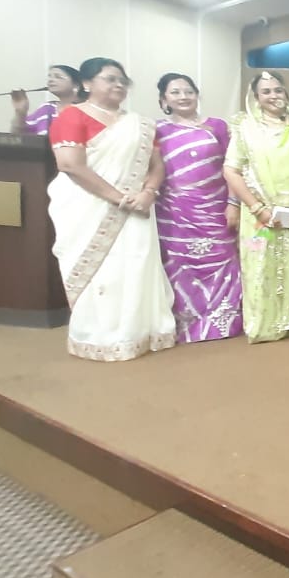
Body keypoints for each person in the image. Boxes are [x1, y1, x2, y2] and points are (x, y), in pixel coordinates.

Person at [47, 57, 175, 361]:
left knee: (135, 264)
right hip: (90, 206)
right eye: (109, 79)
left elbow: (157, 166)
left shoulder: (141, 124)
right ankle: (99, 337)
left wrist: (148, 192)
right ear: (87, 84)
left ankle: (140, 332)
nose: (118, 85)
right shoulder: (71, 116)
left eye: (122, 80)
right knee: (104, 271)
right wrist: (118, 197)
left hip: (137, 206)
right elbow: (69, 165)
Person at [224, 71, 289, 343]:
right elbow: (231, 171)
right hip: (260, 216)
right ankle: (268, 324)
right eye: (267, 92)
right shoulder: (245, 129)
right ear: (256, 97)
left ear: (286, 94)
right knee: (262, 266)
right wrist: (257, 207)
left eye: (278, 90)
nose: (274, 96)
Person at [154, 73, 243, 342]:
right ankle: (185, 324)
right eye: (175, 92)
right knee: (178, 265)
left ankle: (223, 324)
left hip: (215, 208)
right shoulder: (157, 130)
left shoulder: (217, 127)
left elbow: (234, 168)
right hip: (173, 212)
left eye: (188, 91)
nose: (183, 96)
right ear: (163, 99)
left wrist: (233, 203)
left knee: (223, 260)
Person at [12, 65, 81, 134]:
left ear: (76, 85)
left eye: (58, 77)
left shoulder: (87, 109)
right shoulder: (47, 108)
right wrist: (20, 113)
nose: (51, 80)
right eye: (50, 76)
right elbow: (18, 136)